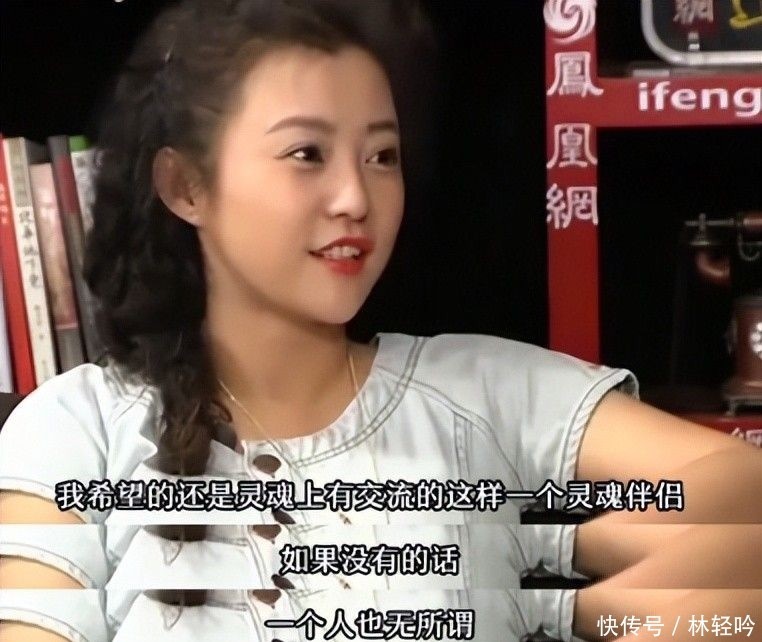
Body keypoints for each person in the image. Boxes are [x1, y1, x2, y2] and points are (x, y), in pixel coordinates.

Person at [1, 1, 760, 641]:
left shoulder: (483, 391)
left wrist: (561, 594)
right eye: (307, 153)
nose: (355, 199)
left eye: (383, 156)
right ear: (186, 185)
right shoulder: (75, 428)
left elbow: (742, 494)